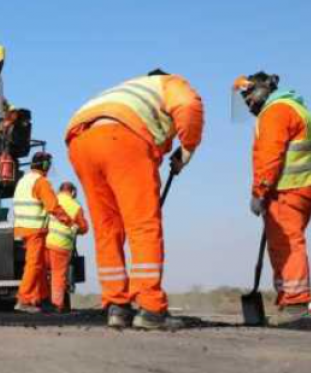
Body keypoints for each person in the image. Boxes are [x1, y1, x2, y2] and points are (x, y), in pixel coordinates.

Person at [65, 69, 204, 329]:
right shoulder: (170, 83)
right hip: (122, 137)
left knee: (108, 230)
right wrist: (186, 150)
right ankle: (151, 309)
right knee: (143, 225)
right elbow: (188, 105)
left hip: (80, 141)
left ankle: (117, 306)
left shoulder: (127, 89)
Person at [233, 72, 311, 325]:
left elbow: (269, 156)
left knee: (287, 245)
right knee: (285, 243)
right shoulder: (296, 107)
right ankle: (289, 300)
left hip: (286, 189)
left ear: (262, 90)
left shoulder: (275, 111)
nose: (248, 103)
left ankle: (295, 304)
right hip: (303, 189)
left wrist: (259, 191)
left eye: (249, 96)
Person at [13, 152, 74, 314]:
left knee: (38, 264)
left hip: (22, 228)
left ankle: (43, 299)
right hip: (35, 230)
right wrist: (68, 221)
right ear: (45, 166)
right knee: (33, 265)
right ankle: (24, 299)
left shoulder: (24, 180)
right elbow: (53, 206)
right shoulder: (41, 182)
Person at [45, 182, 89, 313]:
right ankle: (57, 305)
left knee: (45, 274)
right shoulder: (75, 206)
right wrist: (76, 230)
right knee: (58, 276)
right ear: (73, 192)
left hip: (46, 243)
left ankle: (43, 302)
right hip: (62, 245)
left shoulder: (53, 200)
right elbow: (84, 228)